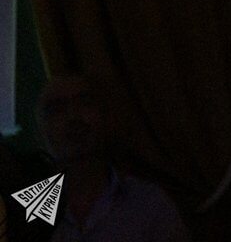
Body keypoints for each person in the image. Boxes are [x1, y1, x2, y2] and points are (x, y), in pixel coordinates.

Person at [38, 74, 189, 242]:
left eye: (85, 103)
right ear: (41, 129)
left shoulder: (149, 203)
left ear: (105, 117)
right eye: (57, 109)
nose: (73, 117)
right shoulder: (24, 214)